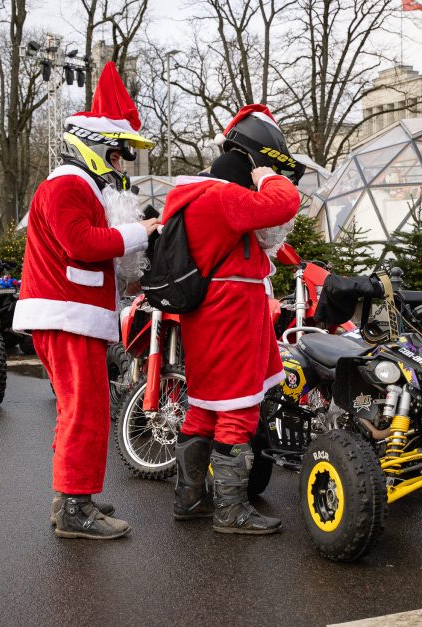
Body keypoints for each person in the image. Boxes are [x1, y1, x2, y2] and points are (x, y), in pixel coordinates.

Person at [13, 62, 160, 540]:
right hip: (66, 315)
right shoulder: (67, 185)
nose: (120, 166)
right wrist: (142, 231)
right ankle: (76, 508)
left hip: (72, 315)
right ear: (96, 148)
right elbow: (82, 243)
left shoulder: (76, 185)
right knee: (86, 411)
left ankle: (73, 498)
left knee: (79, 410)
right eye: (117, 155)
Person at [163, 105, 304, 535]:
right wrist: (268, 178)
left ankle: (189, 499)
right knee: (239, 410)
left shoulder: (195, 196)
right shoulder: (222, 196)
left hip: (210, 313)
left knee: (205, 407)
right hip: (231, 312)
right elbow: (284, 202)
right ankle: (230, 511)